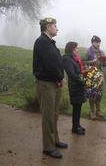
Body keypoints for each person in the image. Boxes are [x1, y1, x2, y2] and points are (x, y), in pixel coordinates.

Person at [33, 17, 68, 159]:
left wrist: (59, 78)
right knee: (48, 116)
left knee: (54, 114)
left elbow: (56, 62)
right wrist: (59, 78)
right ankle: (48, 147)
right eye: (54, 26)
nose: (57, 28)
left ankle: (55, 140)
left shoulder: (50, 42)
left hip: (54, 83)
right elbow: (49, 64)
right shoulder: (42, 42)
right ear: (47, 27)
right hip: (46, 84)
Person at [63, 42, 86, 135]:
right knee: (76, 107)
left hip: (78, 86)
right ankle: (75, 128)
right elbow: (72, 75)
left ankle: (77, 125)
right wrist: (83, 81)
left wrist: (85, 75)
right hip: (74, 86)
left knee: (78, 107)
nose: (77, 50)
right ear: (72, 49)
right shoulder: (67, 59)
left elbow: (78, 72)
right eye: (76, 48)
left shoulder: (73, 58)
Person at [85, 35, 106, 120]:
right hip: (91, 74)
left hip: (100, 74)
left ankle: (98, 110)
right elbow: (81, 62)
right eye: (96, 42)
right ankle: (92, 111)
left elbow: (104, 64)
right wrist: (90, 62)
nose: (98, 44)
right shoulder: (87, 52)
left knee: (100, 93)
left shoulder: (101, 52)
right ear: (92, 42)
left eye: (99, 42)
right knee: (92, 93)